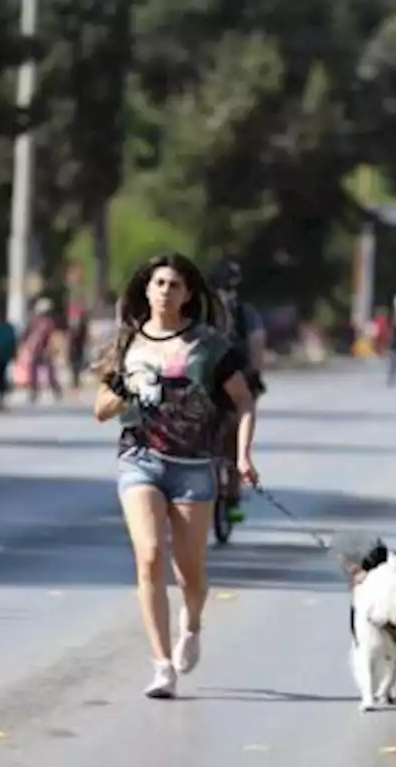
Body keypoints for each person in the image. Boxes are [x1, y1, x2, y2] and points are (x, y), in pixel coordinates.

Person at [92, 253, 259, 699]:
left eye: (175, 285)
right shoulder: (128, 344)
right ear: (146, 290)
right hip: (140, 460)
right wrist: (127, 385)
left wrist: (242, 455)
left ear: (188, 296)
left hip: (193, 468)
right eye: (158, 283)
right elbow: (100, 411)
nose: (165, 291)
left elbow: (244, 401)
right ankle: (161, 665)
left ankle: (193, 622)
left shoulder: (208, 345)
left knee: (191, 574)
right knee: (148, 557)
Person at [208, 259, 266, 525]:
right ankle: (232, 499)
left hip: (208, 381)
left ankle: (209, 493)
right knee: (236, 444)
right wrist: (254, 376)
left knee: (206, 442)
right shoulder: (246, 312)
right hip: (237, 378)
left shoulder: (202, 312)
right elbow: (257, 343)